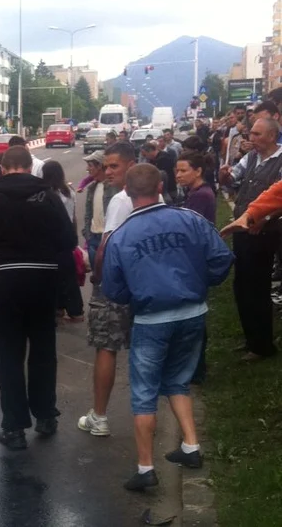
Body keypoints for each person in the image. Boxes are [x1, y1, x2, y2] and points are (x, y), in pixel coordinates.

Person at [101, 163, 233, 491]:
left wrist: (137, 294)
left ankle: (146, 468)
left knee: (144, 393)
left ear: (128, 193)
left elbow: (113, 290)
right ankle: (191, 446)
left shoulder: (121, 237)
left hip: (150, 319)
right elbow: (221, 257)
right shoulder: (190, 219)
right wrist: (201, 284)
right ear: (161, 186)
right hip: (192, 314)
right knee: (179, 380)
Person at [0, 145, 77, 449]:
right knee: (43, 349)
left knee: (8, 353)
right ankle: (45, 416)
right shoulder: (48, 195)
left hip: (6, 278)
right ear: (30, 167)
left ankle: (13, 427)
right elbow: (68, 240)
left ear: (2, 167)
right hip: (43, 278)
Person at [78, 142, 143, 437]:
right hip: (144, 283)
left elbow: (106, 245)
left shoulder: (120, 199)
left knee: (106, 347)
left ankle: (100, 416)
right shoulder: (153, 195)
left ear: (131, 165)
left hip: (115, 284)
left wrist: (99, 278)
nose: (107, 172)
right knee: (144, 350)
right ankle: (147, 417)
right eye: (106, 166)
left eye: (114, 166)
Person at [219, 118, 282, 361]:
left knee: (258, 288)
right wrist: (225, 176)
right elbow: (233, 179)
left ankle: (263, 345)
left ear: (271, 136)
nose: (251, 138)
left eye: (256, 134)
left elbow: (279, 200)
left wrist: (265, 218)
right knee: (242, 286)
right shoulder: (251, 157)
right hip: (244, 229)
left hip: (264, 233)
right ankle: (251, 339)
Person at [176, 149, 217, 383]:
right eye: (177, 170)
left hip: (195, 260)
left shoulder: (200, 195)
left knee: (195, 317)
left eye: (183, 170)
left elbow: (189, 230)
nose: (178, 175)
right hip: (194, 259)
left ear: (198, 170)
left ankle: (197, 369)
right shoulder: (194, 191)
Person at [42, 160, 84, 322]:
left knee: (52, 275)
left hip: (52, 238)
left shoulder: (48, 194)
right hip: (67, 238)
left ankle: (58, 308)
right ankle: (75, 310)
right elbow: (72, 217)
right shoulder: (69, 192)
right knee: (68, 275)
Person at [82, 151, 118, 269]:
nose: (88, 169)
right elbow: (88, 215)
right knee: (96, 279)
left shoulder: (113, 188)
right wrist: (88, 235)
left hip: (108, 239)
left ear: (99, 166)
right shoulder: (92, 188)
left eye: (90, 166)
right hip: (93, 238)